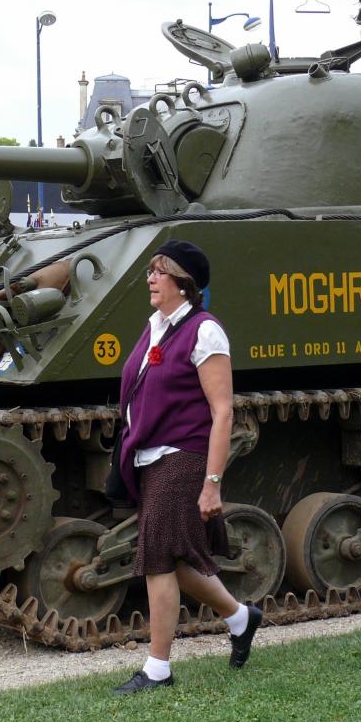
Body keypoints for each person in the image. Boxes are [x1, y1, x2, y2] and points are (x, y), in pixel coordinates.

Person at [111, 240, 260, 695]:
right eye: (151, 271)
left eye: (159, 271)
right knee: (172, 560)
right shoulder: (156, 325)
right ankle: (240, 618)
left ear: (183, 282)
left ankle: (158, 669)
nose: (151, 279)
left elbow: (223, 412)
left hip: (183, 456)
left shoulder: (204, 331)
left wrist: (212, 484)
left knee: (157, 560)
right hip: (149, 455)